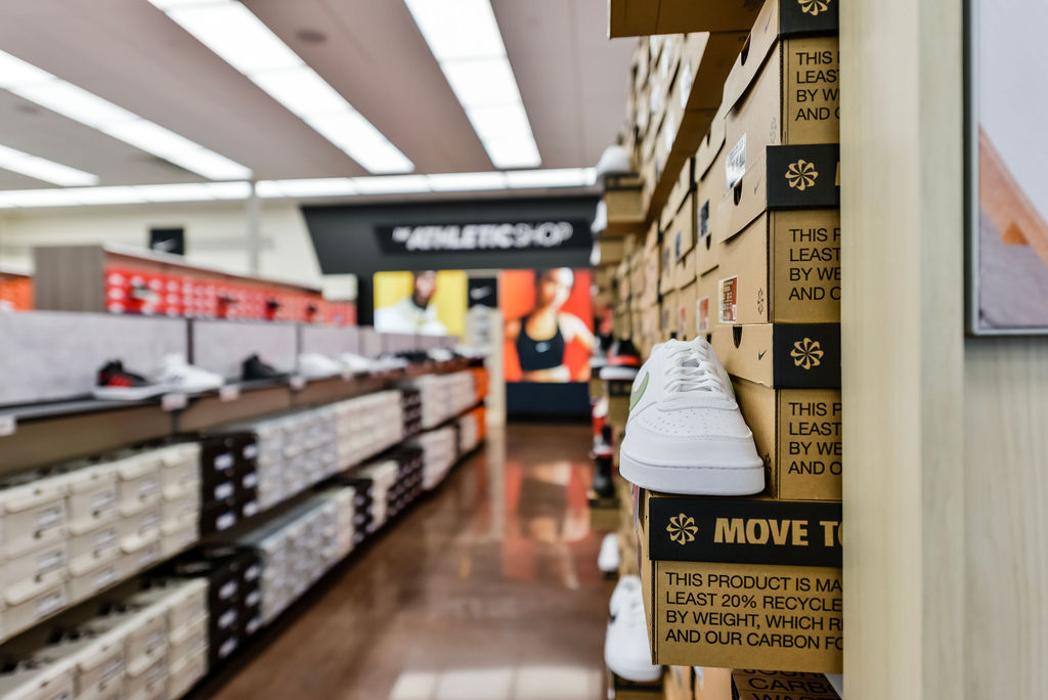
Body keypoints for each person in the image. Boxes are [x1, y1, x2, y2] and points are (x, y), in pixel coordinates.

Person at [505, 268, 595, 382]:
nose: (557, 293)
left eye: (565, 287)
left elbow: (597, 350)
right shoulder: (515, 326)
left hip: (561, 394)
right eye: (552, 282)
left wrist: (579, 383)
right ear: (538, 282)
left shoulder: (568, 323)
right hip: (528, 395)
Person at [374, 270, 449, 335]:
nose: (427, 285)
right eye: (424, 278)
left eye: (432, 279)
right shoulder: (383, 317)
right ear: (414, 281)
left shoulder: (438, 329)